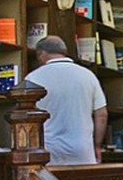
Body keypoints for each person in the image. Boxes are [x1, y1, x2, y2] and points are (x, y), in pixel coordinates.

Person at [25, 36, 107, 165]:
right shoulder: (88, 76)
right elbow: (101, 115)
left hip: (47, 148)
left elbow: (26, 116)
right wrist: (97, 145)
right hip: (82, 148)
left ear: (41, 54)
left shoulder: (33, 78)